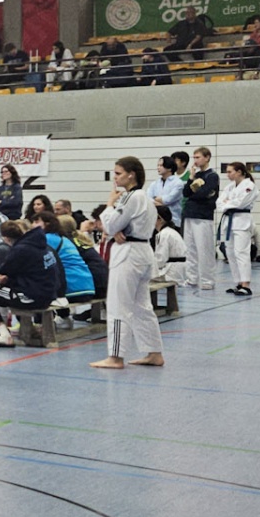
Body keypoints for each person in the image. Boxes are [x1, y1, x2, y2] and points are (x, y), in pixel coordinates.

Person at [92, 157, 165, 370]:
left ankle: (115, 357)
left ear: (131, 174)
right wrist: (116, 231)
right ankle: (154, 353)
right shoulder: (146, 198)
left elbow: (110, 224)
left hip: (129, 255)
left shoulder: (132, 197)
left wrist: (109, 205)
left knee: (118, 306)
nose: (114, 178)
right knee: (142, 306)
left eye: (118, 173)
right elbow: (121, 226)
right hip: (142, 251)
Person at [0, 220, 56, 347]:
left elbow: (2, 273)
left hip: (31, 298)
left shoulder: (21, 250)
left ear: (6, 238)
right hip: (46, 294)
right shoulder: (42, 244)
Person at [180, 147, 220, 292]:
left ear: (207, 157)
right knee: (190, 249)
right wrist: (191, 178)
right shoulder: (195, 175)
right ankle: (192, 278)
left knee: (204, 249)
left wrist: (194, 193)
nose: (195, 160)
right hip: (189, 214)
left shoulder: (212, 176)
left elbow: (203, 194)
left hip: (203, 216)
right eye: (194, 157)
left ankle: (207, 280)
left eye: (198, 157)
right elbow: (186, 193)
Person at [218, 162, 257, 295]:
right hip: (228, 221)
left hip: (242, 221)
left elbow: (240, 203)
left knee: (241, 252)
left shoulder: (249, 186)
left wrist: (227, 203)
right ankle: (238, 282)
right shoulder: (229, 187)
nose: (227, 174)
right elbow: (219, 203)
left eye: (230, 172)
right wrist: (228, 204)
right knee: (230, 252)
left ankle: (246, 284)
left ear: (239, 172)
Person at [152, 204, 187, 283]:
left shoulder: (163, 234)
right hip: (178, 269)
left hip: (172, 271)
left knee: (141, 276)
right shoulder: (170, 232)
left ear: (160, 219)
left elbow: (161, 260)